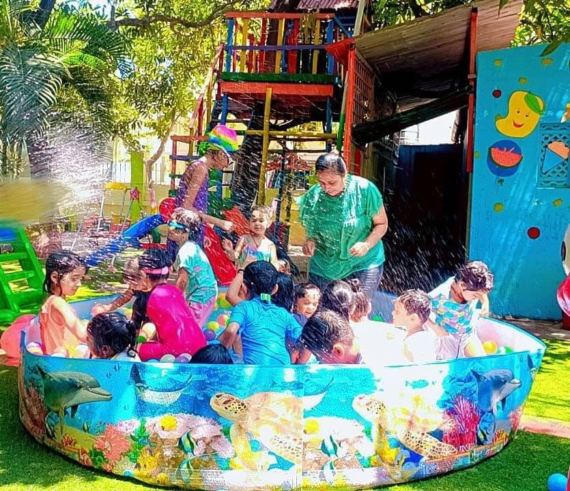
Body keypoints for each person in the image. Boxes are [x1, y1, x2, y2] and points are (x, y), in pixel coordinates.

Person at [298, 152, 388, 299]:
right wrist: (310, 241)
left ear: (344, 175)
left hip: (363, 262)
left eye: (332, 182)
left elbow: (382, 224)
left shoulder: (364, 190)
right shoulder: (313, 195)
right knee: (319, 311)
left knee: (357, 310)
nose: (326, 187)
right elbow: (312, 229)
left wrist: (366, 244)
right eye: (321, 182)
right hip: (324, 266)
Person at [168, 124, 239, 259]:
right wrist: (220, 222)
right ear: (219, 153)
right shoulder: (200, 168)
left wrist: (204, 231)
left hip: (190, 230)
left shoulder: (200, 167)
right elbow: (186, 207)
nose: (226, 165)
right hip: (185, 233)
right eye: (228, 160)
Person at [218, 261, 302, 365]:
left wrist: (218, 357)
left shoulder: (244, 307)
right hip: (282, 370)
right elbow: (303, 339)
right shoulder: (283, 313)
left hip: (254, 371)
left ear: (244, 287)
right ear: (275, 289)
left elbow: (231, 331)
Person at [136, 249, 206, 361]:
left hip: (176, 351)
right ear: (170, 270)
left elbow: (133, 334)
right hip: (201, 346)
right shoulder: (175, 291)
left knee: (136, 348)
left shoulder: (146, 298)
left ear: (143, 274)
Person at [427, 261, 494, 359]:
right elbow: (418, 310)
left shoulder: (471, 285)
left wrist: (485, 302)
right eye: (475, 295)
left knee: (481, 364)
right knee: (450, 370)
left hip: (468, 334)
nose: (477, 298)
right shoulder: (438, 296)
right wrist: (434, 327)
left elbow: (482, 292)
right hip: (447, 336)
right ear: (462, 285)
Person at [168, 207, 218, 326]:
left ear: (184, 232)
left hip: (201, 296)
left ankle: (194, 343)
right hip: (206, 292)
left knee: (190, 327)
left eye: (171, 224)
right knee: (191, 323)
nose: (168, 227)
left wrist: (175, 300)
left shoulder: (186, 251)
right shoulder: (191, 246)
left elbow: (182, 281)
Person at [37, 251, 89, 357]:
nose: (79, 284)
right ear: (55, 277)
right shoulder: (59, 303)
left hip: (53, 359)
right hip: (64, 363)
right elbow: (83, 335)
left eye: (81, 279)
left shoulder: (50, 300)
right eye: (74, 279)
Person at [296, 310, 366, 364]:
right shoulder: (362, 337)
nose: (320, 363)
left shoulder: (370, 367)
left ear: (337, 351)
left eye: (319, 358)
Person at [222, 205, 279, 269]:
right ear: (249, 222)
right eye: (254, 220)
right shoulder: (244, 239)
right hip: (244, 277)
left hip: (261, 278)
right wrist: (230, 250)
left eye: (261, 221)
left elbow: (274, 264)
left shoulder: (270, 245)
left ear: (268, 223)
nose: (257, 223)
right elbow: (234, 257)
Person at [392, 289, 436, 364]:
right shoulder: (411, 336)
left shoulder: (421, 340)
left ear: (413, 318)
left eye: (397, 311)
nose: (392, 313)